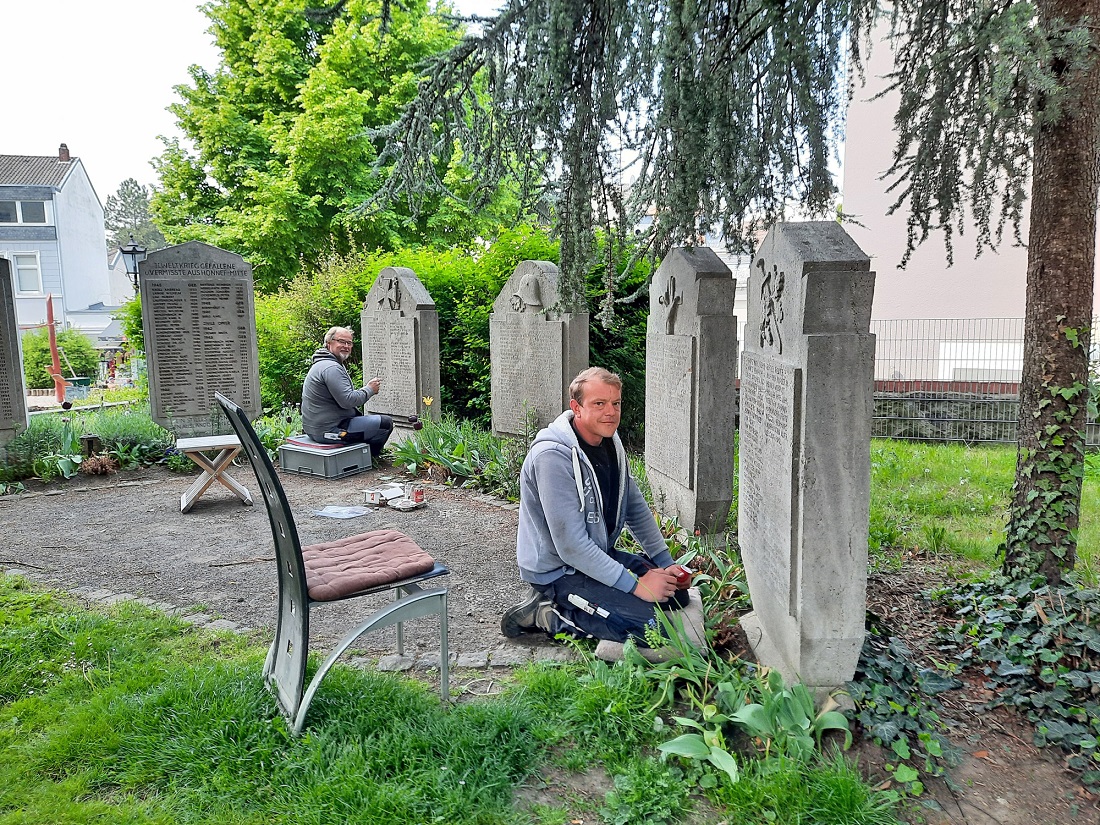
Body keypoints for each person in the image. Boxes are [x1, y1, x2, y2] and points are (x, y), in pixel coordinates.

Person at [501, 366, 691, 644]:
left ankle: (597, 602)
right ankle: (546, 613)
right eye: (599, 404)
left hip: (595, 556)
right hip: (560, 570)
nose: (610, 412)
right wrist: (637, 586)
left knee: (677, 596)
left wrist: (665, 563)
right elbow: (571, 547)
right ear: (576, 408)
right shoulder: (552, 457)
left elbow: (635, 507)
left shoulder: (610, 442)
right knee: (652, 631)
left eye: (615, 403)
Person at [301, 327, 393, 460]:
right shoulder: (331, 368)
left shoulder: (323, 363)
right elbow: (348, 401)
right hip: (329, 432)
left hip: (316, 429)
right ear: (329, 343)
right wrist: (369, 389)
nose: (346, 346)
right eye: (341, 342)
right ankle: (368, 459)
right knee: (385, 424)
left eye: (349, 343)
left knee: (366, 421)